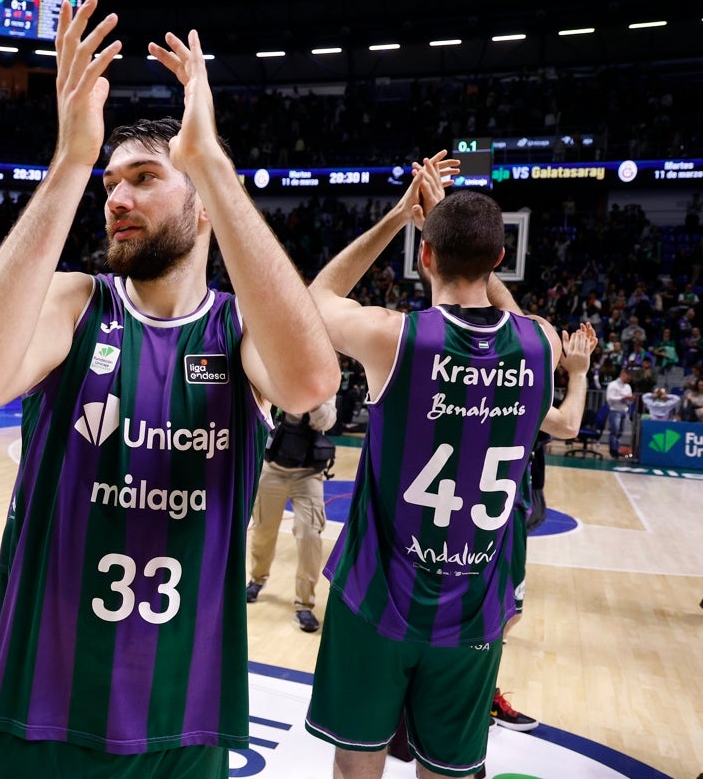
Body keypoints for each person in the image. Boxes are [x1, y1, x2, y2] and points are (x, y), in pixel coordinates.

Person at [0, 0, 339, 778]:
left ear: (199, 203)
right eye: (109, 183)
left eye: (144, 178)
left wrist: (215, 164)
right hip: (43, 704)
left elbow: (309, 383)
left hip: (184, 718)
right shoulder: (75, 302)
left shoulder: (236, 329)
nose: (116, 198)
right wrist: (68, 162)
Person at [304, 173, 595, 779]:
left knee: (356, 765)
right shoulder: (539, 343)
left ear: (424, 255)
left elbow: (317, 298)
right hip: (472, 610)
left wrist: (396, 219)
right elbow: (529, 332)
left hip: (376, 599)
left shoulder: (394, 336)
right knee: (448, 770)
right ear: (500, 259)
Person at [245, 396, 337, 633]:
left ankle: (304, 604)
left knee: (310, 536)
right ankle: (256, 579)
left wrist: (312, 398)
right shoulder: (275, 377)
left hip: (308, 475)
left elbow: (327, 421)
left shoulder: (323, 380)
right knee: (263, 531)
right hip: (272, 470)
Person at [606, 367, 635, 457]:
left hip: (624, 411)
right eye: (628, 377)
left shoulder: (628, 387)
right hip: (615, 410)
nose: (629, 380)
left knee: (621, 432)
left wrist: (630, 399)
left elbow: (629, 401)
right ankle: (613, 450)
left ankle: (617, 448)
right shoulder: (612, 385)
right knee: (614, 431)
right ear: (623, 374)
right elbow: (609, 398)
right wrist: (622, 397)